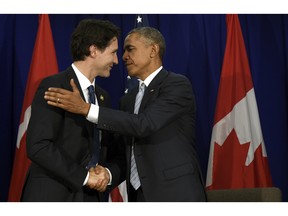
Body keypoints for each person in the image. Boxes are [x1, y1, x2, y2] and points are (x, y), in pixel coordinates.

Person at [44, 27, 207, 201]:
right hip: (138, 196)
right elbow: (126, 152)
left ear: (153, 50)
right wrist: (108, 173)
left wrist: (85, 108)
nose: (123, 57)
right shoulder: (127, 100)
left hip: (176, 194)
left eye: (130, 49)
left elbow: (144, 124)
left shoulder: (176, 85)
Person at [21, 19, 125, 202]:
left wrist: (107, 174)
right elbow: (39, 145)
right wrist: (85, 177)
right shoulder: (54, 86)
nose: (117, 60)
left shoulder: (103, 97)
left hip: (91, 198)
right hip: (53, 196)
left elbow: (111, 151)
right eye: (113, 52)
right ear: (93, 50)